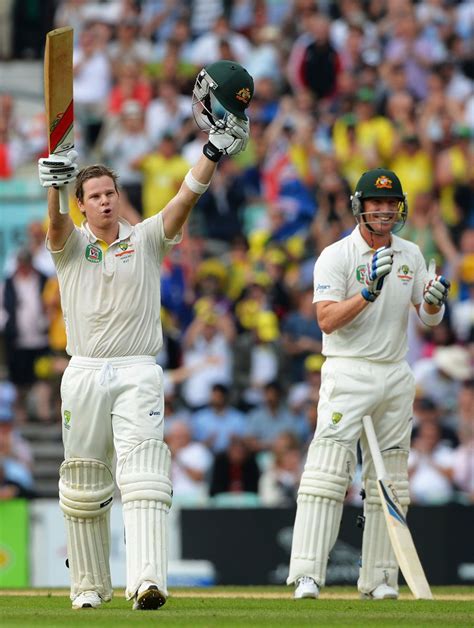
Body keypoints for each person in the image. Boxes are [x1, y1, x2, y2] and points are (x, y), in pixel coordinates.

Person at [37, 60, 253, 611]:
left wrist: (210, 152)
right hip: (83, 370)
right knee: (84, 483)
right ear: (85, 205)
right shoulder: (70, 244)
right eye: (96, 196)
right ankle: (87, 587)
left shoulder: (148, 238)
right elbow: (57, 227)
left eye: (111, 192)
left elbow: (183, 201)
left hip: (136, 367)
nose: (106, 200)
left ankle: (147, 582)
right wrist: (57, 190)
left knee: (145, 473)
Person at [287, 168, 451, 601]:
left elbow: (426, 316)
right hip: (348, 370)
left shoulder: (411, 254)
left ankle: (379, 578)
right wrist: (368, 291)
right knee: (327, 472)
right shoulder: (336, 256)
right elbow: (326, 319)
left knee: (390, 480)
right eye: (376, 203)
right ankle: (307, 574)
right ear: (360, 206)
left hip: (394, 373)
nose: (384, 210)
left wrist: (434, 306)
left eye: (391, 203)